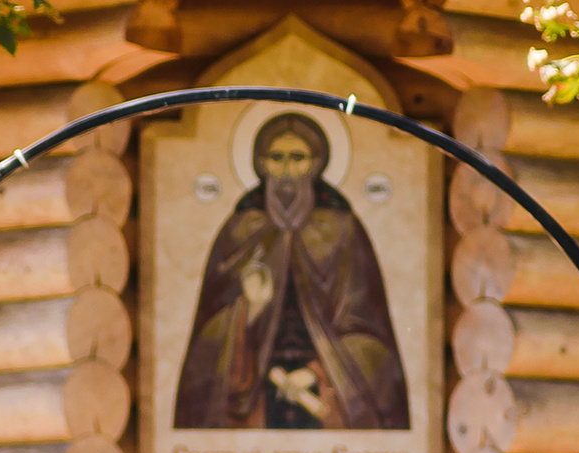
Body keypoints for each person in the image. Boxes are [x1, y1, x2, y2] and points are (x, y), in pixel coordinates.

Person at [173, 111, 411, 431]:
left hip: (329, 388)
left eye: (297, 158)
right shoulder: (242, 229)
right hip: (253, 391)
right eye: (277, 158)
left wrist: (314, 371)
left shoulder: (343, 231)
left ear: (315, 165)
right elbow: (207, 339)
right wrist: (249, 310)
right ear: (261, 164)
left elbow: (371, 337)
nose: (286, 171)